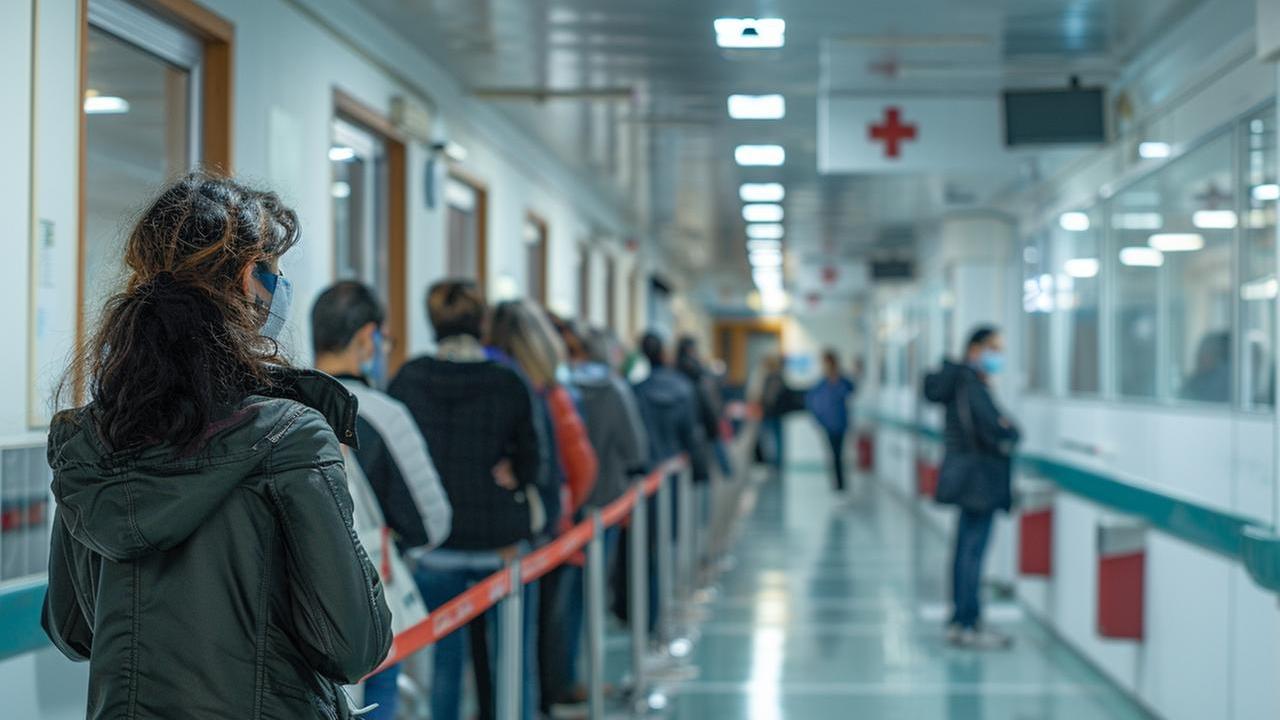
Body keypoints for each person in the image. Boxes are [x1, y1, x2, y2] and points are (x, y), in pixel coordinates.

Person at [42, 173, 392, 720]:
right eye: (276, 273)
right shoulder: (291, 437)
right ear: (251, 279)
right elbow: (354, 646)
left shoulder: (88, 439)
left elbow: (71, 629)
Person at [389, 280, 550, 720]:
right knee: (513, 665)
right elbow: (536, 465)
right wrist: (514, 472)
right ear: (482, 323)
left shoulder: (408, 379)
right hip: (499, 545)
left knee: (443, 670)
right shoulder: (508, 381)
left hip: (436, 546)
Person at [311, 281, 454, 720]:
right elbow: (433, 521)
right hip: (368, 603)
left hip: (296, 607)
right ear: (367, 337)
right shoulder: (384, 414)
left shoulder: (278, 403)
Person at [487, 300, 598, 718]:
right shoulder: (551, 393)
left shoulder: (521, 390)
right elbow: (581, 465)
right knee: (535, 639)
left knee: (522, 643)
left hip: (525, 532)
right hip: (546, 528)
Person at [554, 318, 649, 708]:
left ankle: (560, 679)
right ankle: (581, 681)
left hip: (561, 509)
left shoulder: (555, 389)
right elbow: (634, 449)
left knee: (560, 603)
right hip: (604, 508)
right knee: (590, 599)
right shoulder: (614, 389)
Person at [924, 326, 1020, 650]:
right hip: (979, 479)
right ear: (975, 349)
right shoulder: (971, 385)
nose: (998, 356)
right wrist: (1008, 429)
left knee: (965, 548)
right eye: (994, 348)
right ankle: (967, 622)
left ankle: (961, 619)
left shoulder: (964, 383)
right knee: (972, 552)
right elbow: (997, 428)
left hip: (968, 478)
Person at [631, 331, 707, 633]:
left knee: (645, 551)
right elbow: (692, 432)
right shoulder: (684, 389)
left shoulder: (635, 391)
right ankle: (662, 613)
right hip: (674, 480)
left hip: (643, 481)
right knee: (668, 546)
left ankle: (648, 617)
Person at [675, 335, 730, 478]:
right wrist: (714, 425)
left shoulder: (675, 371)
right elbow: (706, 400)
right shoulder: (697, 372)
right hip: (699, 426)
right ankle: (727, 471)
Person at [806, 349, 857, 494]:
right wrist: (818, 419)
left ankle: (841, 487)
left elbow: (852, 389)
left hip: (841, 423)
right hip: (828, 424)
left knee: (839, 455)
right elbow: (811, 401)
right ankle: (837, 486)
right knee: (833, 455)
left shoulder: (843, 380)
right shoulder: (821, 383)